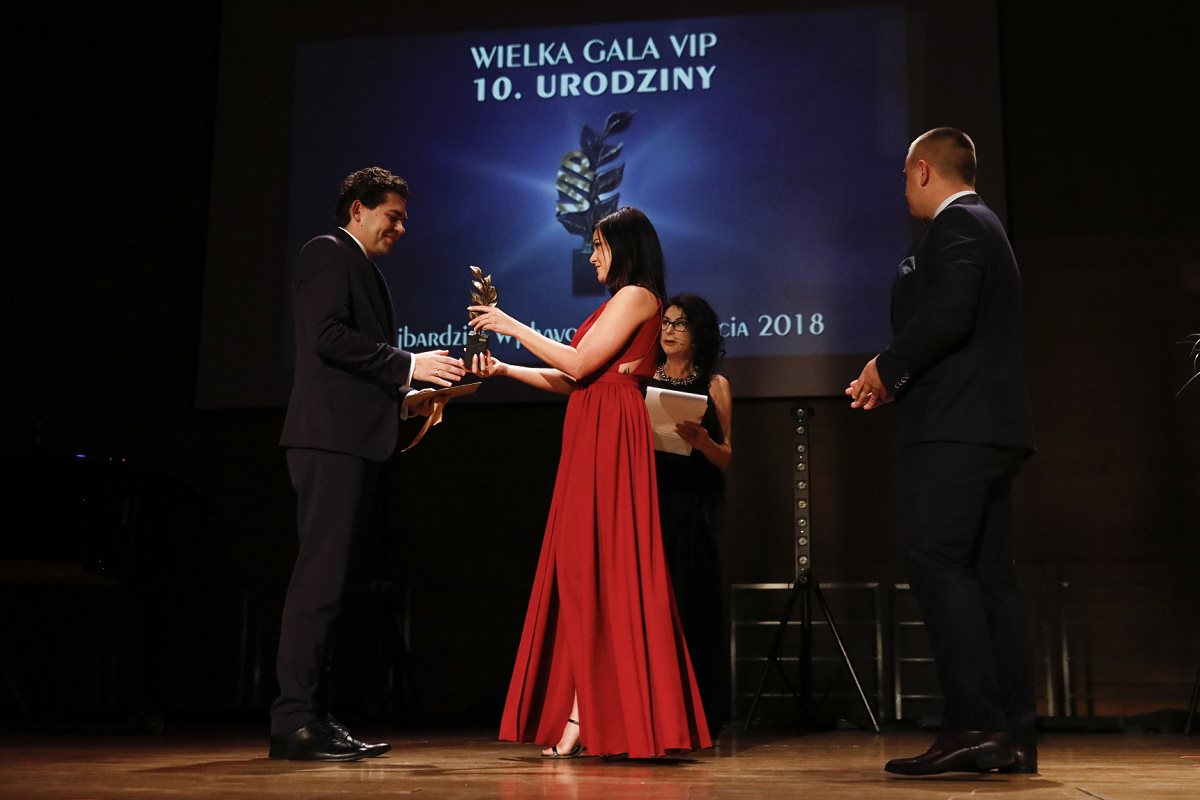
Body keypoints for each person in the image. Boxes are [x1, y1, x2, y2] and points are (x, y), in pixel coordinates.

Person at [468, 207, 711, 758]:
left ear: (625, 247)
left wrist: (509, 324)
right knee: (583, 570)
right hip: (592, 429)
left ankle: (587, 714)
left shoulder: (637, 295)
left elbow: (579, 365)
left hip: (610, 435)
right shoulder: (618, 301)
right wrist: (504, 369)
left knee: (602, 568)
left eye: (599, 245)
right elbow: (574, 377)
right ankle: (583, 709)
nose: (592, 255)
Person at [846, 128, 1038, 775]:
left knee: (936, 559)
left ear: (924, 170)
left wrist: (885, 368)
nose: (904, 191)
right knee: (988, 575)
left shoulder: (959, 226)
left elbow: (948, 313)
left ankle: (976, 724)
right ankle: (1011, 735)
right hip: (985, 428)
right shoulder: (984, 226)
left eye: (905, 177)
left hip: (958, 427)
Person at [272, 167, 467, 761]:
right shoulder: (327, 252)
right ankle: (294, 721)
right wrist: (410, 365)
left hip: (351, 440)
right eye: (393, 216)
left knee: (336, 589)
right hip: (329, 443)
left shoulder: (362, 267)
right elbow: (327, 338)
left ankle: (315, 717)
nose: (402, 228)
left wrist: (408, 401)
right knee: (319, 585)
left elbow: (349, 371)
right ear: (357, 209)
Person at [648, 293, 732, 736]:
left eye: (680, 324)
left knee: (691, 608)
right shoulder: (644, 377)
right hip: (649, 505)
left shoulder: (714, 384)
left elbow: (726, 456)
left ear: (698, 333)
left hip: (692, 510)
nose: (670, 330)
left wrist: (703, 443)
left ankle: (696, 717)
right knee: (652, 612)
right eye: (666, 322)